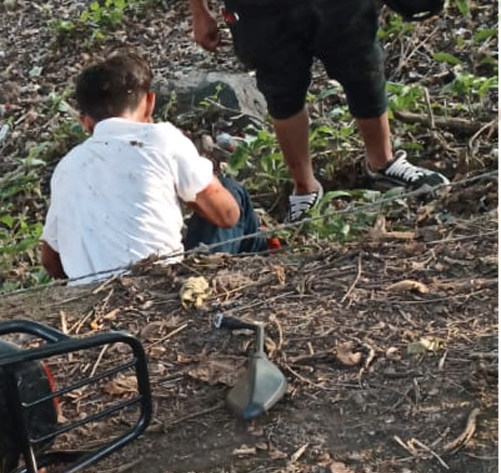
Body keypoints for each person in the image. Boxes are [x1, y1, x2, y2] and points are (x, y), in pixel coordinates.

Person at [187, 0, 449, 223]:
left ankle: (383, 162)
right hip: (260, 9)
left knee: (362, 66)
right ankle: (304, 188)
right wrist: (199, 11)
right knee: (281, 89)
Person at [40, 51, 266, 287]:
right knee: (233, 192)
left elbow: (50, 261)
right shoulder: (162, 139)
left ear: (84, 123)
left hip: (92, 298)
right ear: (149, 103)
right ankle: (263, 276)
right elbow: (227, 215)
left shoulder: (66, 167)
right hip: (162, 287)